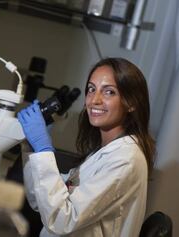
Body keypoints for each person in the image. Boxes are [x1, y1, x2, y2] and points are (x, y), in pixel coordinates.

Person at [17, 57, 155, 237]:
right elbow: (41, 202)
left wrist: (44, 150)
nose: (94, 100)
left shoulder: (125, 160)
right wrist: (32, 147)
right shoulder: (104, 150)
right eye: (91, 89)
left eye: (109, 92)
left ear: (131, 103)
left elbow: (61, 219)